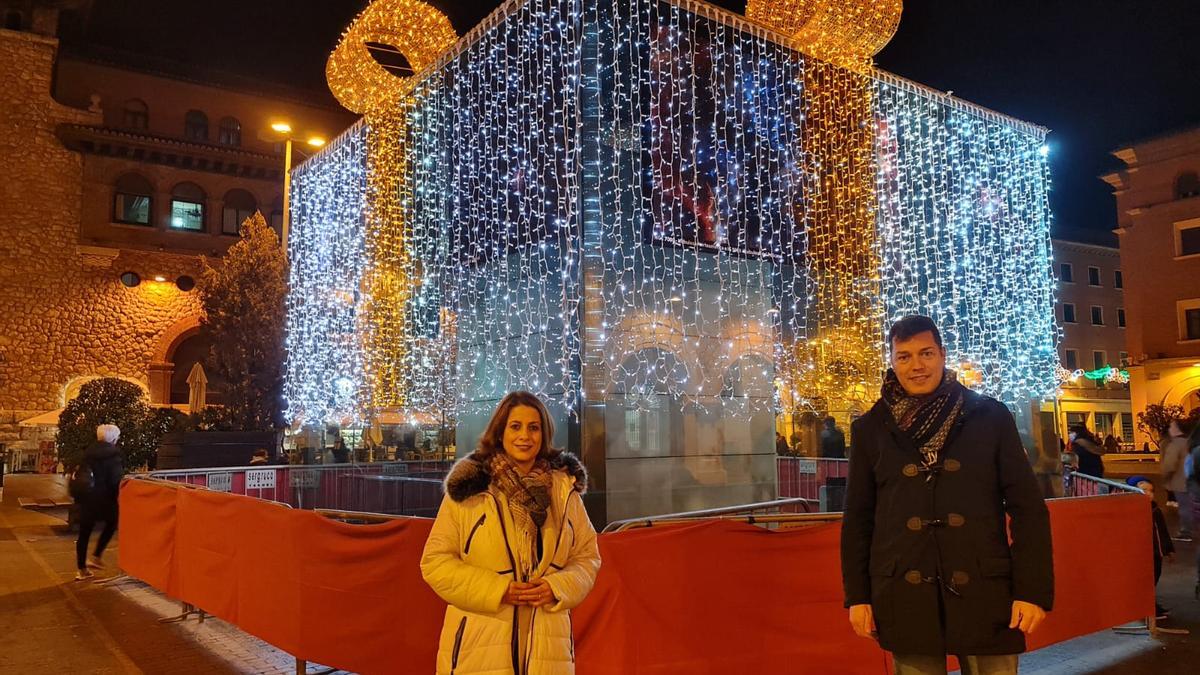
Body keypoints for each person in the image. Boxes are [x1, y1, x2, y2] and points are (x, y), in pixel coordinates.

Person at [841, 316, 1053, 675]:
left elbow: (1028, 509)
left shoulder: (989, 416)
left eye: (925, 353)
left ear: (942, 354)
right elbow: (859, 518)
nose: (916, 365)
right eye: (904, 356)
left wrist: (1032, 591)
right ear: (892, 361)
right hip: (903, 589)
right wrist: (858, 596)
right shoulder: (870, 428)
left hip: (985, 588)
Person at [421, 391, 600, 674]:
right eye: (515, 426)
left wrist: (557, 587)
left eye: (533, 427)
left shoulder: (564, 490)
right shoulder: (471, 488)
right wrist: (499, 590)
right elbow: (435, 562)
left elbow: (588, 557)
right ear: (500, 432)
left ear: (543, 434)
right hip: (479, 648)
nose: (525, 436)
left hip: (548, 648)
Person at [75, 424, 124, 581]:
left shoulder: (87, 453)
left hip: (87, 497)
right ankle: (96, 555)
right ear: (114, 439)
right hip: (105, 499)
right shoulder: (113, 455)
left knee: (84, 533)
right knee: (112, 524)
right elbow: (115, 480)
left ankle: (81, 569)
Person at [1126, 476, 1174, 620]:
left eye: (1151, 491)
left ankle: (1149, 605)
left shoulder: (1155, 510)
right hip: (1142, 553)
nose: (1148, 493)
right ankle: (1146, 607)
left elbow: (1163, 531)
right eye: (1144, 490)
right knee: (1143, 581)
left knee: (1153, 578)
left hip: (1156, 553)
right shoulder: (1131, 512)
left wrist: (1168, 549)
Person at [1160, 419, 1194, 541]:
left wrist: (1165, 476)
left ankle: (1186, 532)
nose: (1170, 429)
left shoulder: (1176, 444)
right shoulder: (1189, 442)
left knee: (1184, 507)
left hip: (1181, 482)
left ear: (1176, 428)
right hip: (1192, 480)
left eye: (1171, 427)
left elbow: (1170, 464)